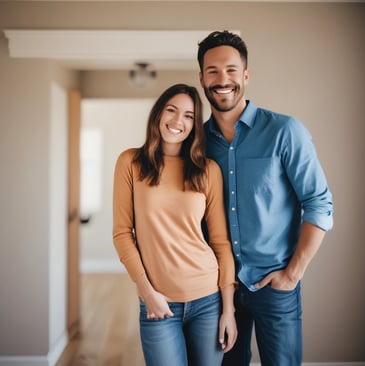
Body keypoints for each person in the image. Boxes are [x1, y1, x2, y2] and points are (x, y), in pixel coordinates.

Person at [197, 31, 334, 366]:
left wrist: (292, 275)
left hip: (275, 285)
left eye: (231, 70)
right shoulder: (196, 144)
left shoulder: (285, 132)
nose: (222, 79)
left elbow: (319, 203)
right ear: (201, 78)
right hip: (218, 289)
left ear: (246, 75)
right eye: (212, 71)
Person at [112, 83, 237, 366]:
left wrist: (228, 309)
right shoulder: (130, 162)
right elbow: (122, 233)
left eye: (189, 116)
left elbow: (220, 242)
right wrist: (146, 291)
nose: (178, 121)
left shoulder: (208, 170)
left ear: (195, 125)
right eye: (171, 110)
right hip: (158, 301)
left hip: (208, 299)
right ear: (158, 114)